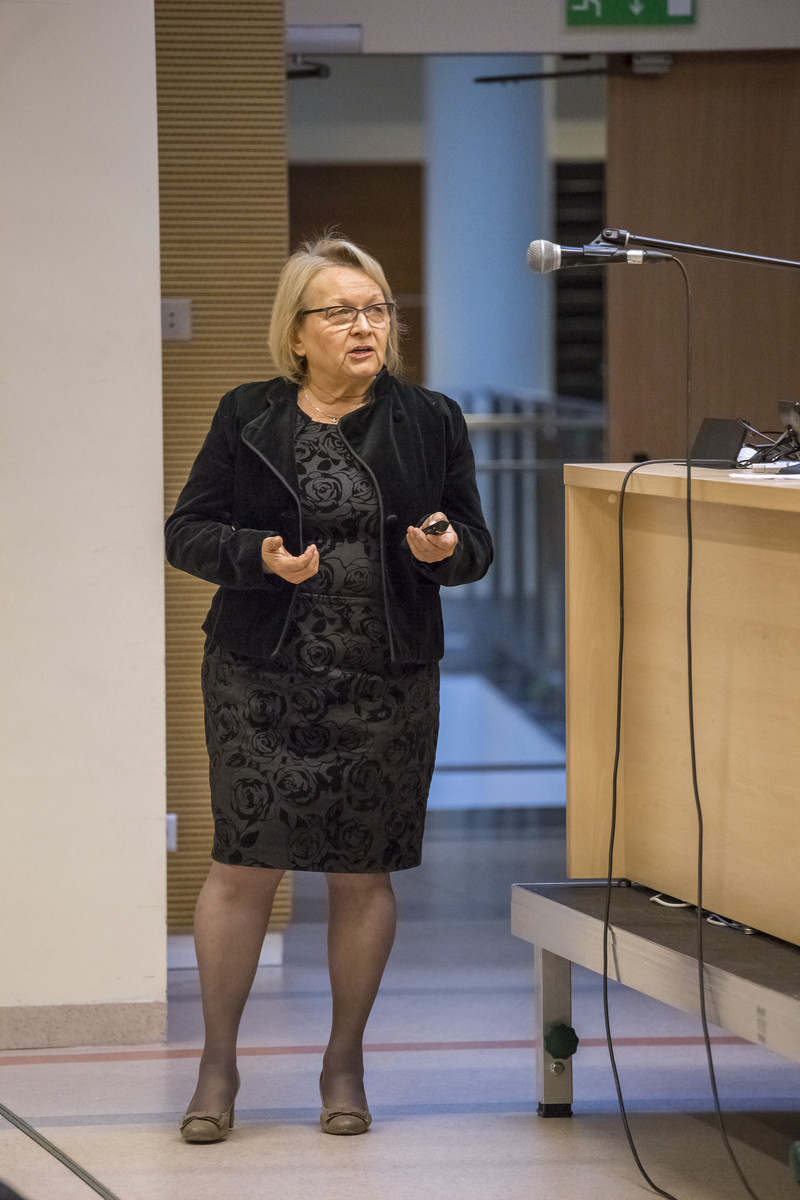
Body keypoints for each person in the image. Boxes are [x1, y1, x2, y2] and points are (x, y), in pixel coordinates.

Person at [165, 234, 493, 1142]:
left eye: (377, 309)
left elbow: (474, 544)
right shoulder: (248, 414)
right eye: (342, 312)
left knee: (361, 870)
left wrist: (443, 550)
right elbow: (187, 530)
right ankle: (217, 1066)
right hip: (259, 678)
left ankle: (344, 1062)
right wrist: (257, 556)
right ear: (298, 332)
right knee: (243, 865)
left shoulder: (431, 419)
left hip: (384, 682)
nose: (365, 326)